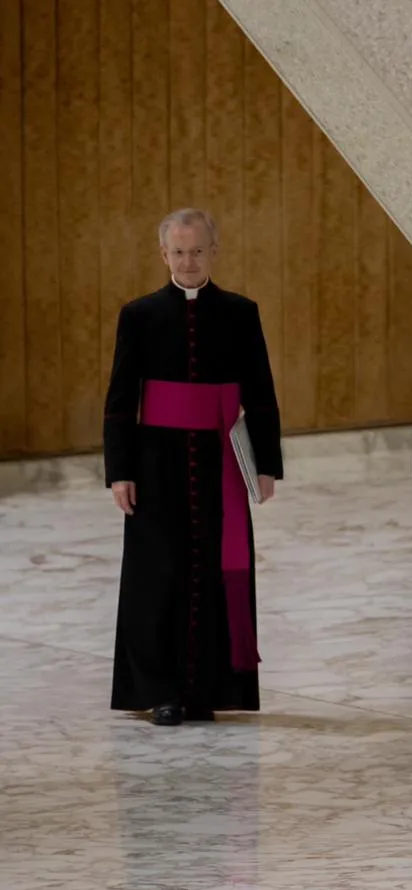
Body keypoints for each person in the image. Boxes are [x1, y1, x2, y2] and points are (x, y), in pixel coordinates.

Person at [103, 208, 283, 726]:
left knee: (215, 571)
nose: (188, 260)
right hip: (155, 463)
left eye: (198, 250)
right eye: (179, 251)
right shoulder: (138, 314)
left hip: (220, 461)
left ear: (213, 251)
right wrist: (120, 471)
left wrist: (266, 464)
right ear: (164, 255)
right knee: (157, 575)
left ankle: (208, 689)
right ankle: (160, 690)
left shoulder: (240, 311)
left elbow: (262, 392)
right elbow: (120, 399)